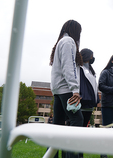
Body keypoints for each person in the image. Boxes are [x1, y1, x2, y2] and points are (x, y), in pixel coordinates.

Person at [50, 20, 84, 158]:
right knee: (77, 120)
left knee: (57, 125)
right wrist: (75, 89)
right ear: (75, 30)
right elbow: (68, 66)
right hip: (66, 89)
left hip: (58, 90)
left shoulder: (61, 42)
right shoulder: (69, 41)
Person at [80, 48, 100, 127]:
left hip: (90, 104)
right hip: (82, 102)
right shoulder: (79, 69)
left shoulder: (91, 71)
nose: (92, 58)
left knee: (85, 124)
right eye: (92, 56)